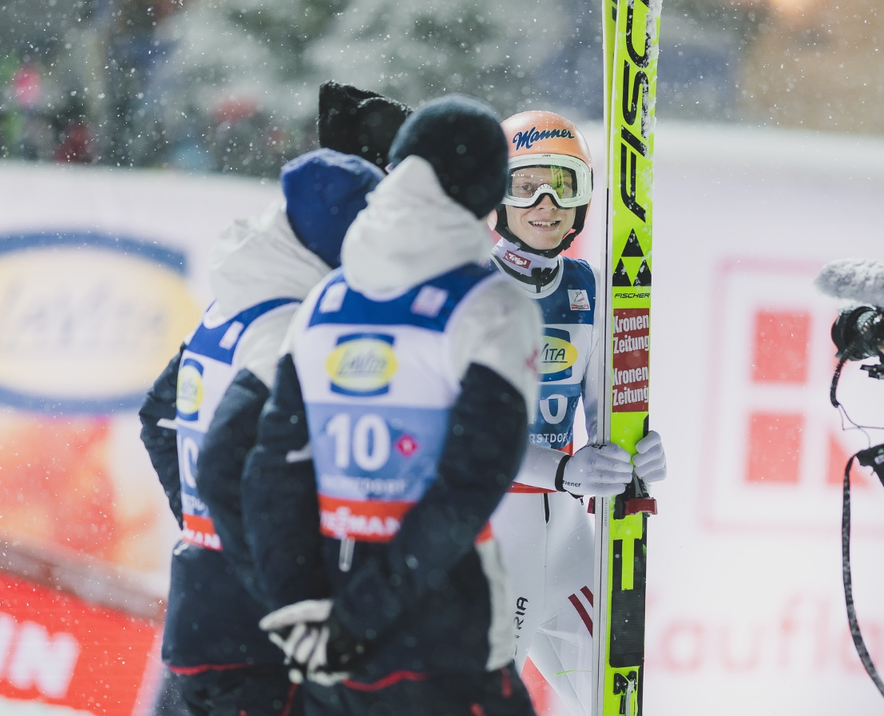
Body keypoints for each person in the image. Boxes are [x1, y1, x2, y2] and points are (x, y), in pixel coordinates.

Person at [242, 94, 542, 716]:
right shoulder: (493, 307)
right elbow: (466, 490)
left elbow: (273, 471)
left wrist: (307, 613)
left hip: (332, 653)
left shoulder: (323, 301)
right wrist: (358, 617)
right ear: (488, 195)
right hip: (448, 651)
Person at [138, 148, 383, 716]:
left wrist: (206, 534)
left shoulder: (233, 303)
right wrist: (282, 587)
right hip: (255, 635)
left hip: (203, 612)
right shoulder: (285, 328)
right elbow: (226, 468)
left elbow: (157, 418)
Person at [485, 110, 667, 715]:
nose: (545, 203)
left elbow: (602, 407)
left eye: (562, 185)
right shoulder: (466, 289)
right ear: (496, 196)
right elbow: (463, 438)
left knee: (613, 703)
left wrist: (634, 447)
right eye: (525, 183)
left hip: (567, 539)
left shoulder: (588, 288)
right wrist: (563, 470)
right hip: (490, 537)